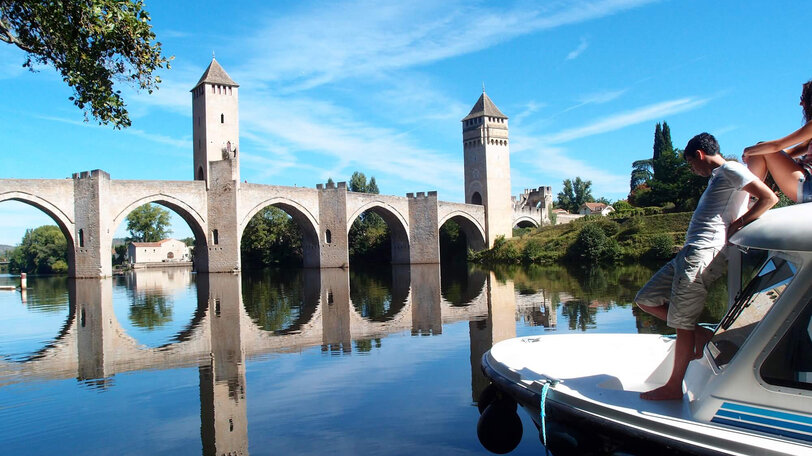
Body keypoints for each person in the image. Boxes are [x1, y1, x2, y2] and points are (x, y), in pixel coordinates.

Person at [636, 132, 778, 401]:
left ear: (699, 155)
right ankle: (704, 337)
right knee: (646, 299)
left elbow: (769, 198)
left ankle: (673, 387)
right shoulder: (720, 177)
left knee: (682, 323)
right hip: (688, 253)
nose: (693, 170)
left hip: (702, 254)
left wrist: (741, 223)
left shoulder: (731, 169)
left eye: (691, 164)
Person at [742, 79, 812, 203]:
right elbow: (790, 151)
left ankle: (746, 202)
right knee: (761, 149)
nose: (801, 103)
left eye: (804, 97)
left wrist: (748, 151)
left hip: (808, 187)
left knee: (760, 148)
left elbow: (777, 146)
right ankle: (751, 199)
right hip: (807, 186)